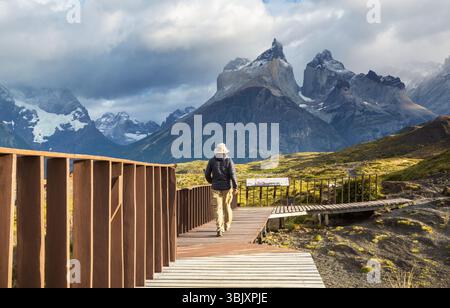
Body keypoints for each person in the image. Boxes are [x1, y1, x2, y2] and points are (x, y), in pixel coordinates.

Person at [205, 143, 238, 237]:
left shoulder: (211, 161)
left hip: (215, 188)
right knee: (227, 206)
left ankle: (220, 228)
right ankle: (227, 225)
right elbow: (233, 175)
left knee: (217, 209)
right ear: (225, 152)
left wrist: (212, 182)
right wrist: (235, 187)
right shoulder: (229, 161)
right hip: (227, 188)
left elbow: (207, 174)